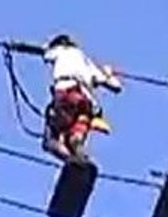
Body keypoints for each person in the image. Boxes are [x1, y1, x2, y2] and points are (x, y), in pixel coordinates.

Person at [41, 34, 122, 163]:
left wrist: (19, 47)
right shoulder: (87, 61)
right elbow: (116, 87)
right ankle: (82, 160)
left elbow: (45, 53)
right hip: (86, 103)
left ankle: (73, 162)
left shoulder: (60, 51)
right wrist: (108, 74)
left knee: (50, 140)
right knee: (75, 140)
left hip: (67, 94)